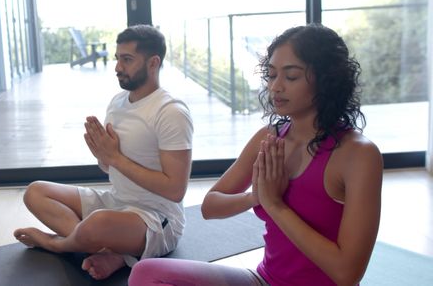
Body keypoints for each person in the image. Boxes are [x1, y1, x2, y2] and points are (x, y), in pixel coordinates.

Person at [128, 23, 383, 286]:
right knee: (146, 274)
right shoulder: (270, 137)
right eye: (272, 76)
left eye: (291, 76)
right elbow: (210, 206)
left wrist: (275, 205)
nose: (276, 87)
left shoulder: (358, 155)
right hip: (264, 280)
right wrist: (255, 197)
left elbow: (347, 273)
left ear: (327, 79)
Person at [13, 24, 194, 280]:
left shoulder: (171, 112)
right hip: (116, 202)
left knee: (97, 223)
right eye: (118, 58)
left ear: (153, 63)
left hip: (156, 218)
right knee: (36, 192)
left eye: (127, 60)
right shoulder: (117, 103)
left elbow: (176, 190)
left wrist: (115, 158)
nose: (118, 67)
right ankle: (110, 251)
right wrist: (103, 157)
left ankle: (57, 244)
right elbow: (110, 168)